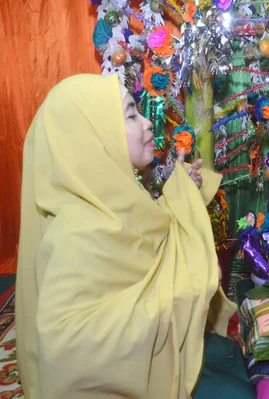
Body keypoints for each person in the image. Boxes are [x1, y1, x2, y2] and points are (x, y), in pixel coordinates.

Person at [15, 74, 244, 399]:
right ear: (92, 137)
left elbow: (147, 233)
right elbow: (73, 353)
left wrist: (181, 191)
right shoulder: (75, 233)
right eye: (131, 114)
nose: (149, 123)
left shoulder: (107, 198)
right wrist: (190, 282)